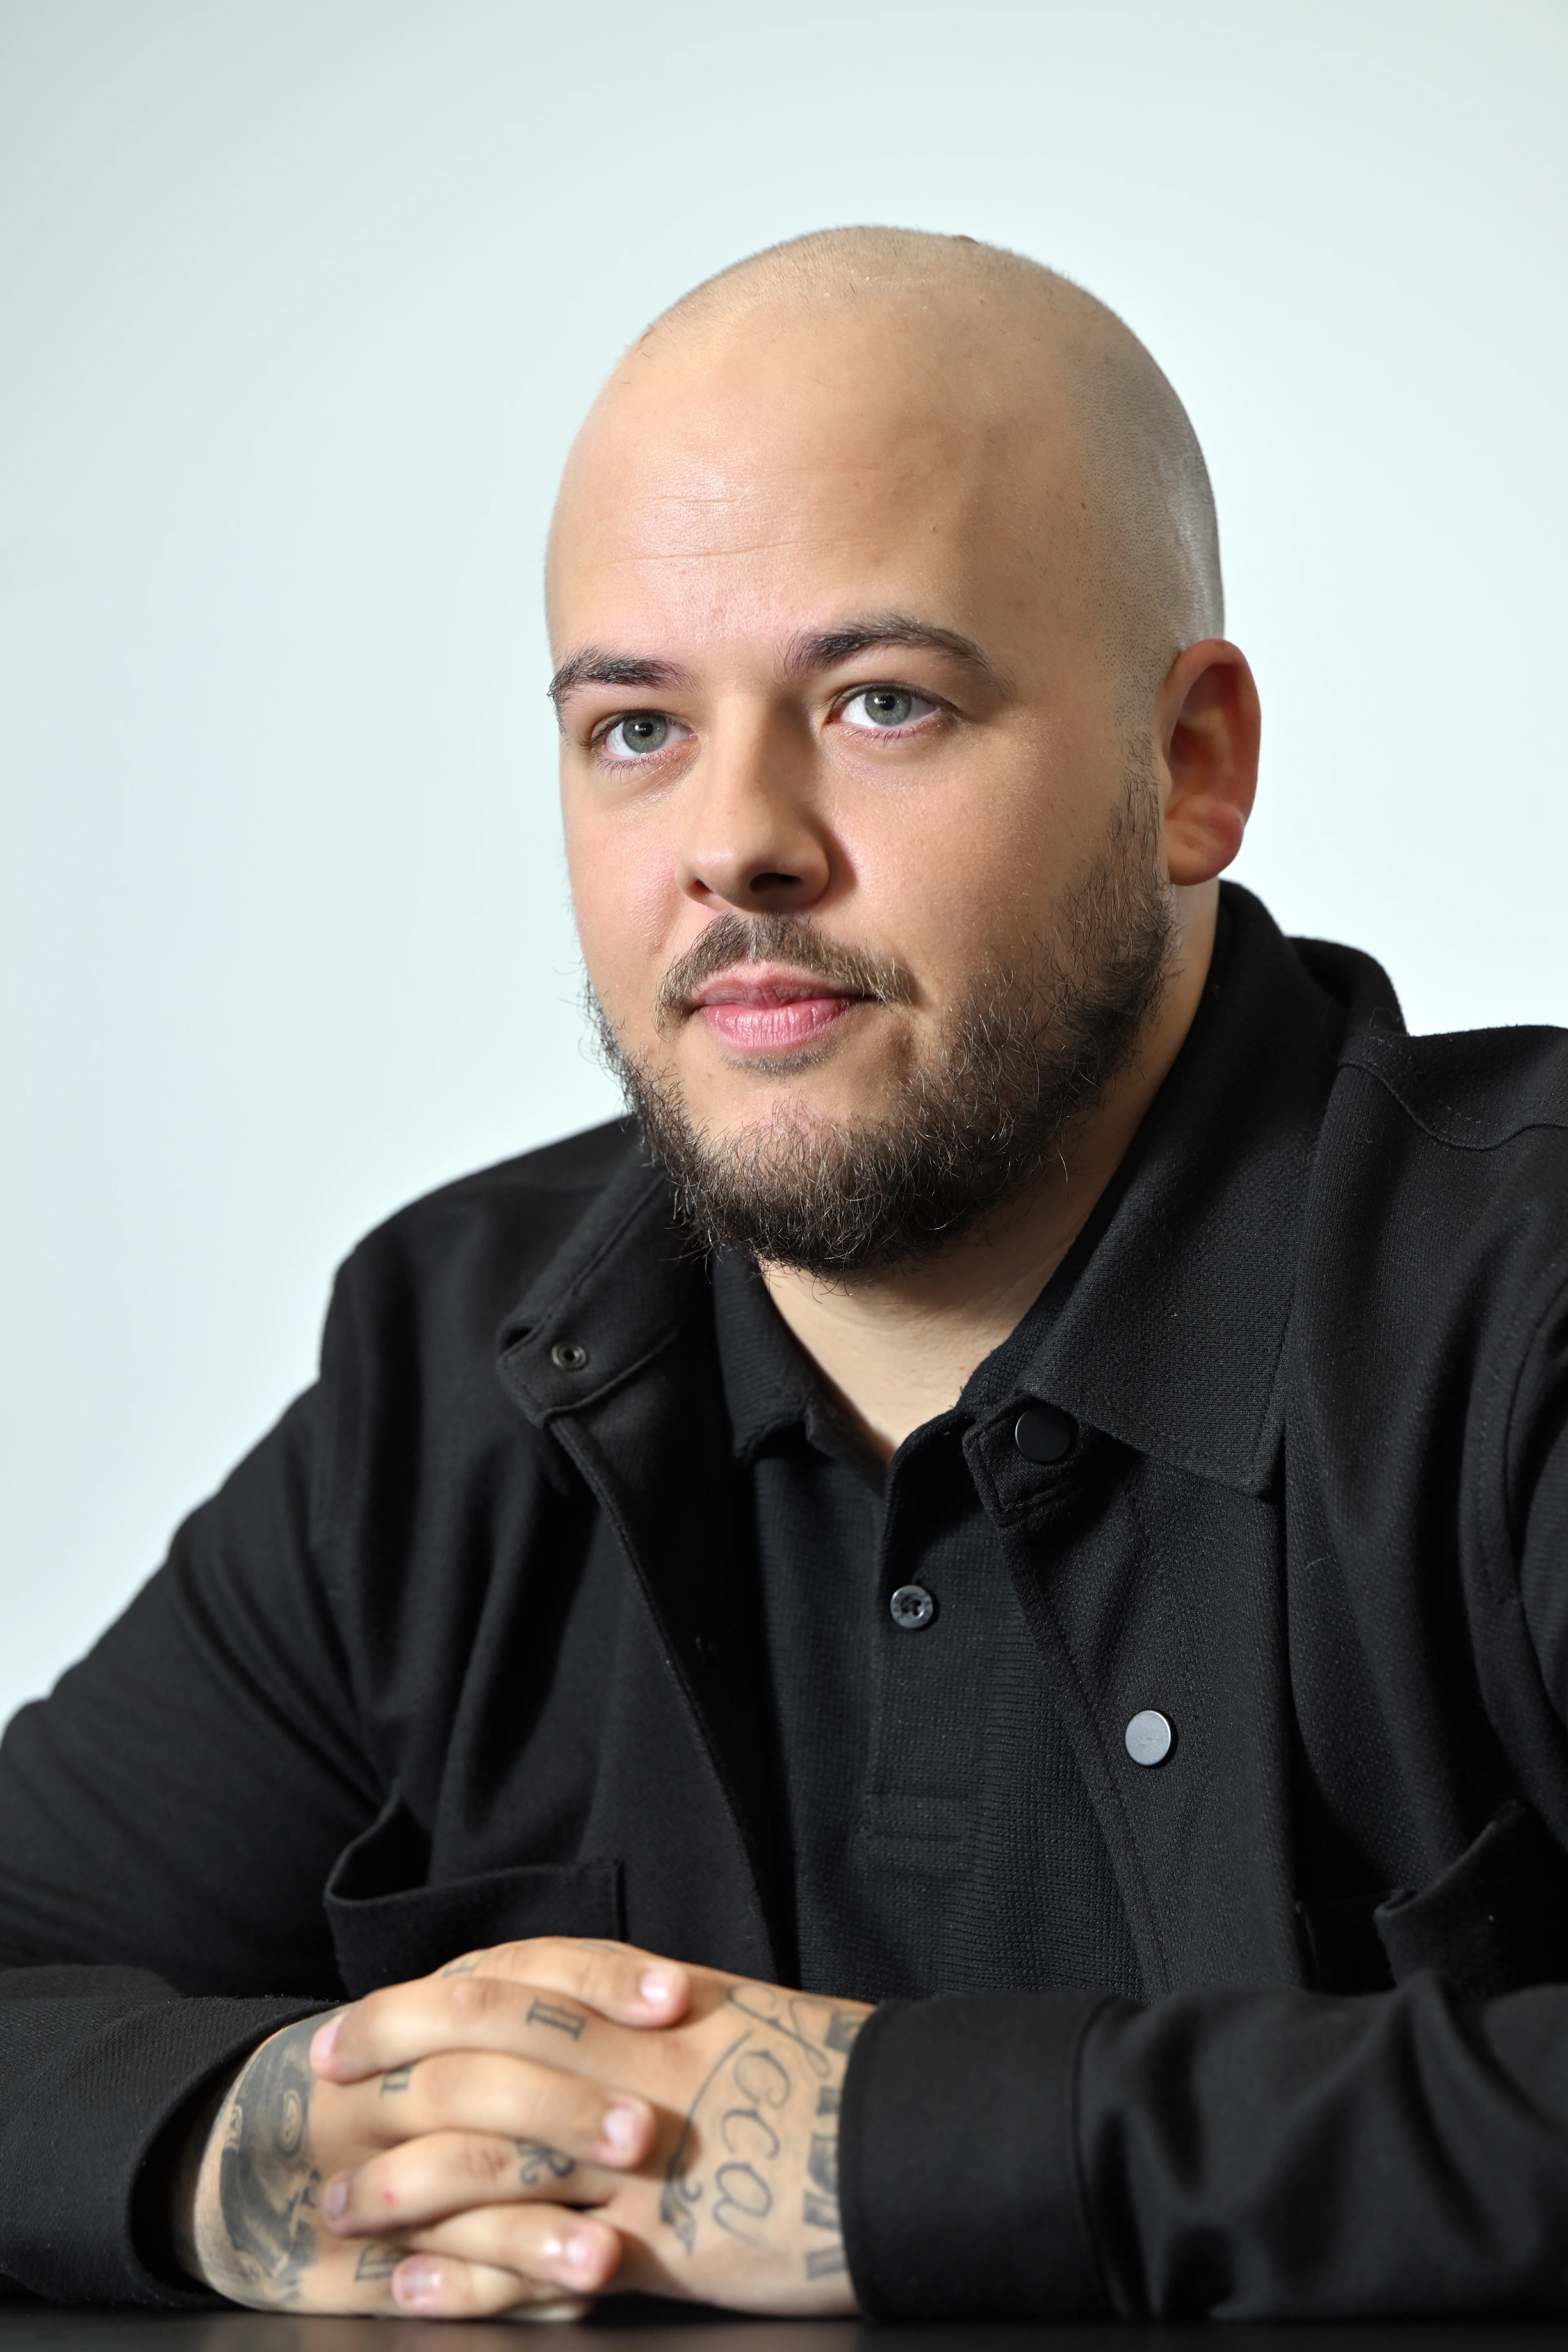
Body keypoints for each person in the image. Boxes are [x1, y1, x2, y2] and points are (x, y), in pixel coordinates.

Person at [5, 225, 1568, 2325]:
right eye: (635, 726)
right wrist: (241, 2148)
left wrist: (873, 2151)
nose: (736, 840)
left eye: (882, 701)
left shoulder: (1524, 1300)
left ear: (1189, 766)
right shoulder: (451, 1371)